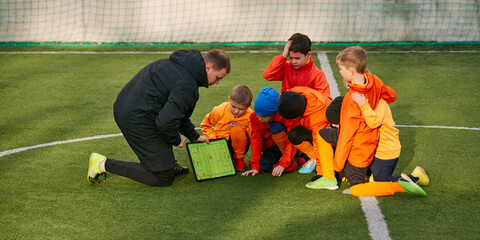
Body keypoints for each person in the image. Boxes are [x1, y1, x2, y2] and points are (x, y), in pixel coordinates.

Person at [87, 49, 231, 186]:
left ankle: (167, 163)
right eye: (218, 77)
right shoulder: (187, 84)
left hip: (132, 108)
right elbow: (166, 122)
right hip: (135, 117)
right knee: (163, 177)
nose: (217, 82)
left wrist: (193, 136)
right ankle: (102, 164)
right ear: (208, 67)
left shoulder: (181, 65)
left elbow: (176, 113)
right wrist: (176, 138)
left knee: (167, 132)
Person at [333, 46, 426, 197]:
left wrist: (337, 163)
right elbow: (392, 95)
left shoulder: (353, 99)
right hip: (378, 146)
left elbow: (347, 133)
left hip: (383, 150)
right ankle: (415, 176)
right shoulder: (374, 81)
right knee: (374, 180)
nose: (340, 72)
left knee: (375, 184)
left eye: (341, 69)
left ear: (351, 71)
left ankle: (404, 184)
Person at [351, 92, 430, 185]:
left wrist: (363, 105)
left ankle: (416, 177)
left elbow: (373, 123)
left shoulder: (380, 104)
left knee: (380, 183)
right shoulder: (367, 101)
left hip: (386, 150)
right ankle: (376, 175)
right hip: (374, 148)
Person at [277, 86, 338, 190]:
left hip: (330, 134)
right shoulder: (290, 95)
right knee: (293, 135)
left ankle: (325, 166)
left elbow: (319, 144)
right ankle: (314, 158)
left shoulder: (317, 116)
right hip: (312, 125)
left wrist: (320, 173)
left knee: (321, 144)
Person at [242, 87, 301, 177]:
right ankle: (289, 160)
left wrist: (282, 164)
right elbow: (255, 141)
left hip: (290, 146)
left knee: (275, 127)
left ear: (274, 112)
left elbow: (293, 140)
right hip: (273, 148)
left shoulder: (285, 115)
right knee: (265, 167)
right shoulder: (254, 117)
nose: (260, 119)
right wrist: (255, 166)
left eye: (264, 116)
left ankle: (294, 159)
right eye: (258, 115)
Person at [200, 85, 253, 171]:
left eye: (241, 109)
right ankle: (221, 156)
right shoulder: (220, 110)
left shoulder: (250, 116)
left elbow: (253, 136)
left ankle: (238, 160)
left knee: (237, 130)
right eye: (233, 107)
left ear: (248, 106)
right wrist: (213, 140)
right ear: (229, 99)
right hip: (219, 142)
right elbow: (205, 124)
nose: (236, 111)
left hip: (240, 145)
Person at [263, 33, 331, 98]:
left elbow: (325, 99)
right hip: (285, 107)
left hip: (306, 109)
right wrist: (283, 56)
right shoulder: (286, 66)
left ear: (308, 55)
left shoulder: (317, 75)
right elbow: (268, 75)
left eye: (297, 58)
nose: (293, 61)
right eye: (290, 57)